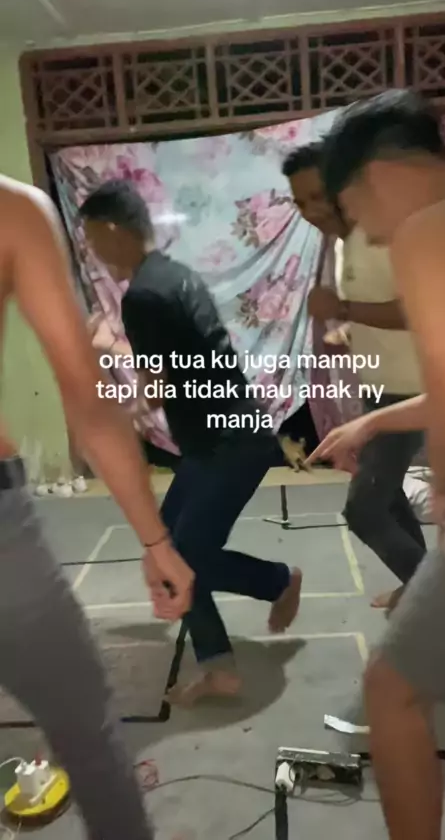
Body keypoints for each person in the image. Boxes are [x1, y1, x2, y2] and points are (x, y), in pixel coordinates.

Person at [0, 174, 195, 840]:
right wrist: (155, 541)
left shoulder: (157, 287)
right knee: (85, 730)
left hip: (218, 437)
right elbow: (89, 402)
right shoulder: (13, 212)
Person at [316, 87, 445, 840]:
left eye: (351, 208)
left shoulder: (428, 235)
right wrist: (375, 420)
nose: (367, 234)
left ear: (377, 175)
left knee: (390, 690)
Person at [79, 179, 302, 706]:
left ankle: (269, 593)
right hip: (222, 441)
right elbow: (179, 367)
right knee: (170, 547)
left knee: (181, 557)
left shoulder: (143, 296)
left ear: (113, 230)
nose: (93, 254)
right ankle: (254, 610)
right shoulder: (175, 275)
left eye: (92, 240)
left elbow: (158, 382)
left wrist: (119, 413)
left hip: (227, 446)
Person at [283, 143, 426, 611]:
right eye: (300, 202)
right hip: (380, 390)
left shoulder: (381, 237)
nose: (311, 211)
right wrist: (351, 328)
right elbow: (380, 305)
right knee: (388, 497)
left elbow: (419, 309)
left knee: (363, 509)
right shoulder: (343, 244)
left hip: (413, 392)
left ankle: (433, 597)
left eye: (317, 196)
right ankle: (420, 583)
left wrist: (343, 309)